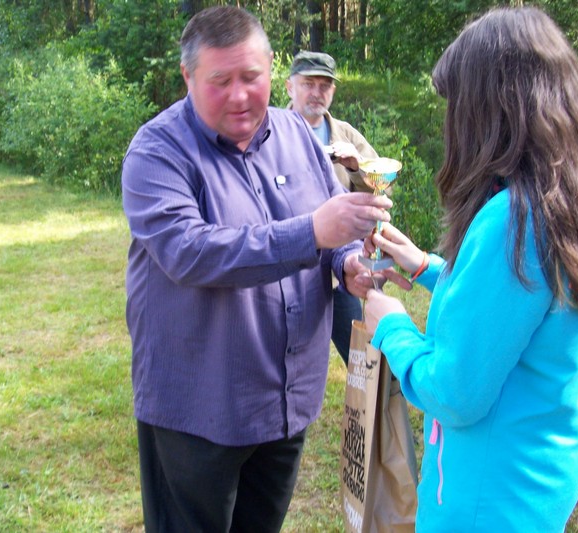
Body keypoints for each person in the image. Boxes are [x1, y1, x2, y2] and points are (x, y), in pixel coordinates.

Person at [355, 7, 578, 531]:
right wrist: (425, 266)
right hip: (539, 479)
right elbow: (521, 314)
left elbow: (454, 392)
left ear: (492, 110)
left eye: (458, 107)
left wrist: (391, 327)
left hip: (484, 500)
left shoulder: (515, 220)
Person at [121, 6, 390, 532]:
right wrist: (314, 231)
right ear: (188, 76)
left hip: (286, 398)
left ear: (272, 70)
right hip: (201, 404)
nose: (240, 95)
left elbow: (329, 230)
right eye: (220, 81)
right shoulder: (157, 151)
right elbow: (191, 251)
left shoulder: (297, 136)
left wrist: (348, 263)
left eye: (251, 77)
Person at [285, 50, 378, 366]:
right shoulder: (269, 133)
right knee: (284, 361)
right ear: (289, 87)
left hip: (341, 268)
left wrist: (356, 166)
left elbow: (381, 185)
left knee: (360, 359)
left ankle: (368, 414)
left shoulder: (347, 134)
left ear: (333, 91)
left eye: (324, 85)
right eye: (308, 83)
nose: (316, 92)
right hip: (287, 272)